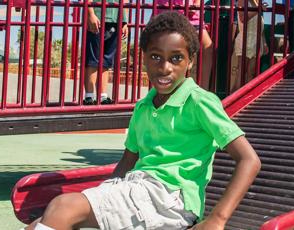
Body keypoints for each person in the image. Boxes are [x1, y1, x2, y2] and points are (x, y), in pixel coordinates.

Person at [25, 11, 261, 230]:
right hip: (138, 187)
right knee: (39, 224)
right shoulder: (144, 106)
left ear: (190, 62)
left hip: (171, 199)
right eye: (156, 57)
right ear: (144, 58)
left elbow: (249, 160)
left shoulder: (198, 101)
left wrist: (217, 220)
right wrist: (98, 197)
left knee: (63, 207)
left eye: (176, 58)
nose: (165, 67)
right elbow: (127, 162)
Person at [156, 0, 214, 91]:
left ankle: (203, 89)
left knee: (207, 47)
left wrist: (197, 4)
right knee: (173, 50)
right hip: (170, 11)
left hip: (192, 16)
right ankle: (170, 88)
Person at [83, 0, 128, 105]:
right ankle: (89, 96)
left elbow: (124, 2)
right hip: (97, 18)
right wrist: (90, 14)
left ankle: (102, 96)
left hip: (116, 20)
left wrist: (124, 22)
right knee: (93, 59)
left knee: (106, 60)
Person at [231, 0, 268, 92]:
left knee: (251, 72)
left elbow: (260, 24)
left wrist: (264, 42)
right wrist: (258, 9)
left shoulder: (257, 2)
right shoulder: (242, 1)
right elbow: (243, 18)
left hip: (256, 41)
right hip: (246, 39)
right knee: (241, 72)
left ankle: (247, 96)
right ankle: (233, 97)